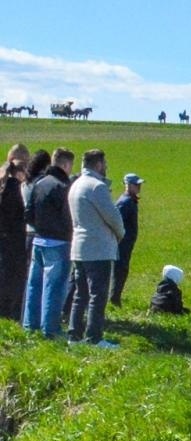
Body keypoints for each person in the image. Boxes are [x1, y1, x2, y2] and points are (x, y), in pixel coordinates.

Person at [67, 149, 126, 349]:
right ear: (98, 164)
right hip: (97, 248)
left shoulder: (76, 184)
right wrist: (120, 234)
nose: (106, 167)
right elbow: (114, 217)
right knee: (97, 295)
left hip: (79, 246)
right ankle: (94, 337)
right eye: (105, 163)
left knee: (80, 294)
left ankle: (74, 335)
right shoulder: (97, 187)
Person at [22, 149, 71, 337]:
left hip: (37, 239)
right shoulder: (63, 186)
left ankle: (29, 325)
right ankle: (50, 330)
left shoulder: (39, 183)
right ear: (66, 165)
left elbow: (28, 214)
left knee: (34, 284)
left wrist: (40, 227)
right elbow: (68, 218)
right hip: (58, 242)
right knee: (54, 286)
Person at [0, 144, 28, 321]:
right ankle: (11, 309)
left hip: (2, 234)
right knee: (14, 275)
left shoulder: (2, 183)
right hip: (14, 236)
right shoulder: (16, 188)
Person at [110, 172, 142, 308]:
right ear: (128, 185)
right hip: (122, 244)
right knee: (120, 270)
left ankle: (115, 297)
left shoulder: (130, 200)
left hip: (126, 243)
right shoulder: (125, 202)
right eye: (136, 185)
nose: (139, 187)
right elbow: (117, 223)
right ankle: (114, 298)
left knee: (122, 270)